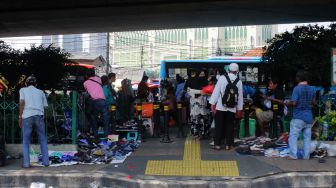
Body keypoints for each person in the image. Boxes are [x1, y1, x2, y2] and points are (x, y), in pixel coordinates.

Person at [209, 63, 243, 150]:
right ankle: (228, 145)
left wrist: (212, 103)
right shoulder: (239, 81)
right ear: (237, 71)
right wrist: (239, 109)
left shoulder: (222, 78)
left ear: (228, 70)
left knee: (219, 125)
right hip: (232, 107)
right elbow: (240, 97)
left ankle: (217, 144)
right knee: (230, 126)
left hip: (221, 106)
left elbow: (216, 92)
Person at [18, 75, 49, 168]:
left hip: (27, 116)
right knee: (43, 139)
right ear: (36, 84)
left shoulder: (22, 90)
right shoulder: (41, 92)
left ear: (26, 83)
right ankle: (46, 162)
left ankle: (26, 163)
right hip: (39, 116)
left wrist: (20, 117)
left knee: (26, 141)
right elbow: (45, 106)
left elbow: (22, 103)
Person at [285, 70, 316, 160]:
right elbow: (314, 103)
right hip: (308, 117)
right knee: (307, 138)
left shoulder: (297, 88)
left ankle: (293, 155)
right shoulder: (312, 89)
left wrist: (288, 103)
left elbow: (294, 103)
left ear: (298, 78)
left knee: (293, 136)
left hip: (298, 117)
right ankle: (306, 156)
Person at [83, 72, 110, 138]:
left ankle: (96, 135)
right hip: (103, 101)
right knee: (106, 119)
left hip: (94, 101)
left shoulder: (85, 83)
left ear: (86, 75)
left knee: (94, 118)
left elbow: (87, 93)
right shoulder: (98, 79)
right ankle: (106, 135)